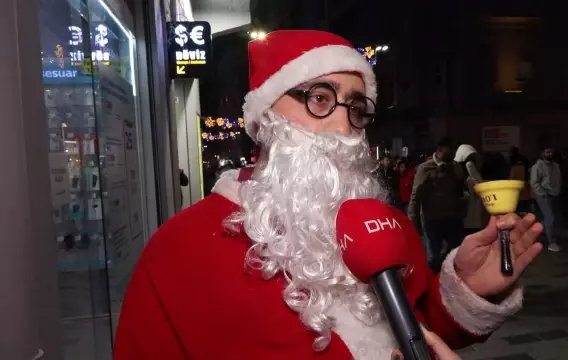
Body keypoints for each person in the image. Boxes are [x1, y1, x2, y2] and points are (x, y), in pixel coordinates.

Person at [114, 30, 543, 360]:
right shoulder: (179, 249)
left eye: (356, 108)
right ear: (265, 116)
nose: (344, 128)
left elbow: (419, 330)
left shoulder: (384, 223)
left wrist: (466, 289)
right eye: (319, 98)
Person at [408, 140, 467, 273]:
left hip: (453, 218)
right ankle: (431, 282)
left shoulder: (455, 167)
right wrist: (413, 222)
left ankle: (450, 282)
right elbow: (415, 195)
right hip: (431, 219)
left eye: (450, 160)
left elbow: (460, 189)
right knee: (433, 257)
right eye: (445, 161)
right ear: (438, 152)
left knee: (455, 253)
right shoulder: (425, 168)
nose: (447, 164)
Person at [531, 145, 562, 252]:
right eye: (547, 152)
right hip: (543, 195)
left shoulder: (555, 165)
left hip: (554, 194)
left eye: (551, 152)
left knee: (549, 218)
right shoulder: (538, 166)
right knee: (550, 217)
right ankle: (551, 242)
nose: (550, 154)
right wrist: (543, 193)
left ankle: (532, 233)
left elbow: (558, 179)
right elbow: (534, 183)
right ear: (542, 153)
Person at [454, 144, 488, 235]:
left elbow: (481, 191)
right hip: (458, 218)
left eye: (473, 158)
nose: (471, 161)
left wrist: (472, 171)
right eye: (469, 158)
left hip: (473, 220)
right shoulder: (455, 174)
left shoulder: (474, 176)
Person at [508, 147, 533, 214]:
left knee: (518, 202)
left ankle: (520, 214)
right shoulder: (523, 159)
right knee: (524, 201)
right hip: (524, 183)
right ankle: (525, 213)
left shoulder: (513, 163)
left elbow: (511, 177)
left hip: (516, 185)